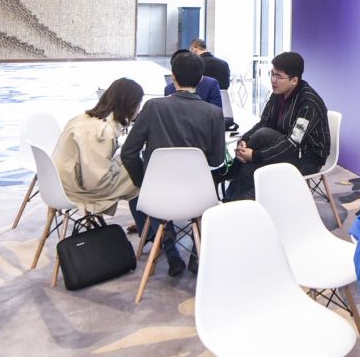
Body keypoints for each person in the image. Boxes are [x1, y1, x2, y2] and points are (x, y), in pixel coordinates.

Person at [121, 52, 227, 276]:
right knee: (205, 195)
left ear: (173, 77)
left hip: (158, 194)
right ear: (200, 79)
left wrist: (144, 183)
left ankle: (171, 253)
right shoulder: (214, 113)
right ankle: (197, 256)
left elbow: (128, 152)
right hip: (198, 196)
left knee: (158, 200)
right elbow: (217, 161)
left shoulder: (152, 107)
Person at [225, 51, 330, 201]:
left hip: (308, 157)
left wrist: (255, 155)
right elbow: (264, 122)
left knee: (256, 165)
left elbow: (293, 143)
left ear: (294, 80)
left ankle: (237, 201)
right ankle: (234, 199)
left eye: (278, 77)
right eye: (272, 74)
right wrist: (245, 140)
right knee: (260, 138)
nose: (273, 80)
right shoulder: (278, 93)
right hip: (284, 143)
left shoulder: (308, 103)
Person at [51, 78, 144, 216]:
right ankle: (151, 227)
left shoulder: (83, 118)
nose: (139, 109)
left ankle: (147, 226)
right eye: (139, 104)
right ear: (130, 105)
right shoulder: (103, 132)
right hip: (78, 190)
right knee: (143, 175)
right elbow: (97, 182)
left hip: (59, 183)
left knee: (129, 165)